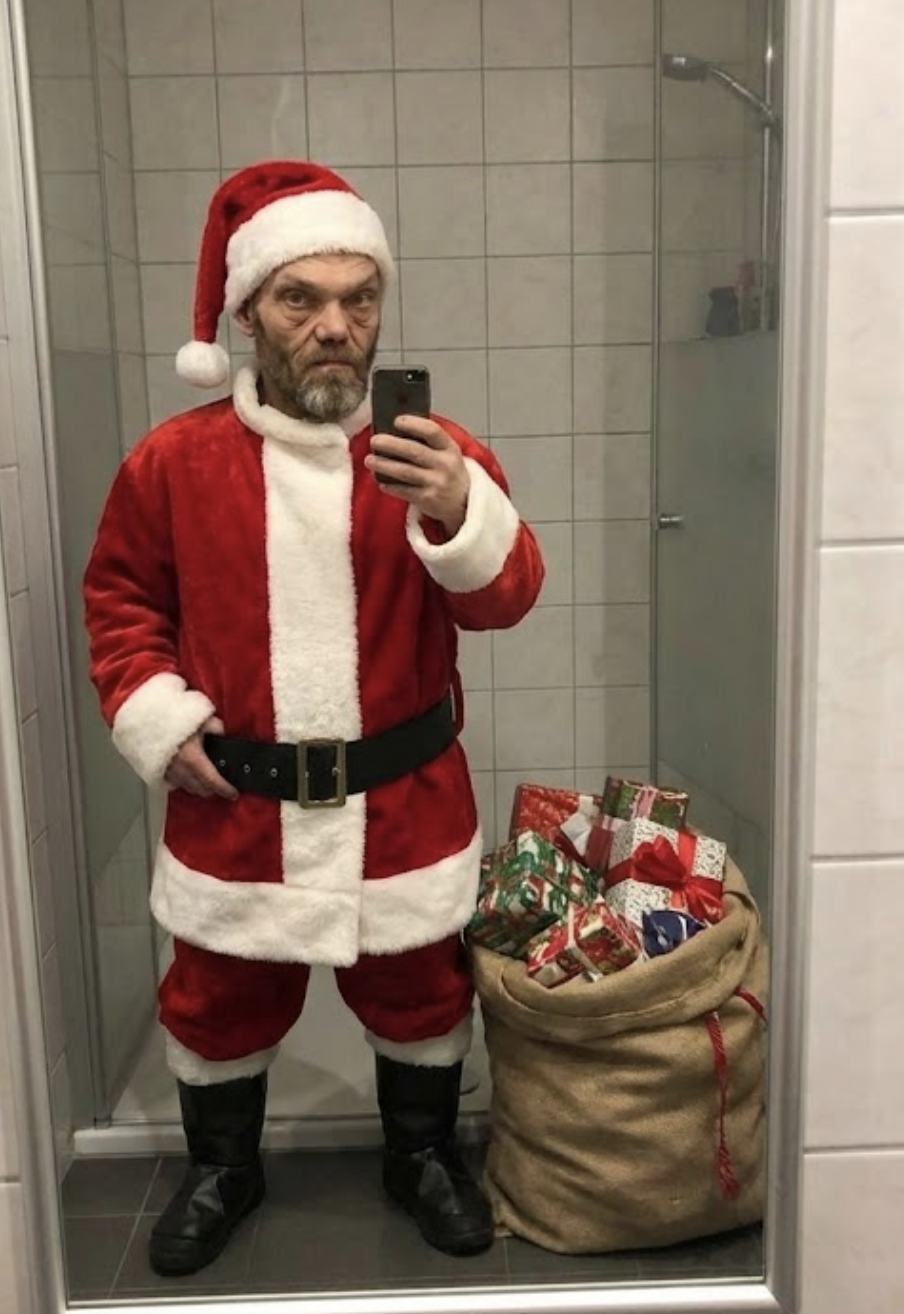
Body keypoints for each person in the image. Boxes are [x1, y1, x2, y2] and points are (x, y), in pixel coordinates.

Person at [83, 160, 544, 1277]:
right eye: (302, 299)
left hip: (404, 805)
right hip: (235, 807)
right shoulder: (172, 464)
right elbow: (121, 605)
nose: (336, 326)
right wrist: (157, 717)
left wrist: (459, 510)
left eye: (359, 298)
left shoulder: (438, 455)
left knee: (422, 996)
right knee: (215, 1003)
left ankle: (421, 1158)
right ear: (248, 314)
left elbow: (507, 600)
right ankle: (223, 1170)